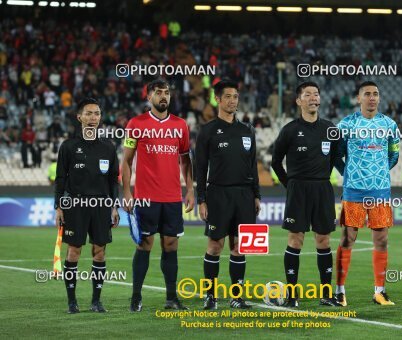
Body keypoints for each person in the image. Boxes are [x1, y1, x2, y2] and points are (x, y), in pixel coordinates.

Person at [122, 79, 194, 312]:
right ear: (149, 97)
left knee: (171, 245)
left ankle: (171, 298)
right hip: (145, 197)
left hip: (172, 196)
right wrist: (126, 192)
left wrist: (190, 189)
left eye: (167, 93)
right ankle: (135, 297)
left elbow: (185, 159)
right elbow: (126, 161)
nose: (164, 97)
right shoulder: (135, 124)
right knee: (145, 244)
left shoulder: (181, 125)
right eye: (158, 93)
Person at [271, 81, 343, 308]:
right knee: (296, 239)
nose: (313, 97)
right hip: (298, 189)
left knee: (323, 240)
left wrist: (321, 177)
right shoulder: (290, 129)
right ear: (299, 101)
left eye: (316, 94)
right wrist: (289, 184)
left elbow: (334, 159)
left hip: (322, 189)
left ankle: (326, 294)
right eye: (308, 94)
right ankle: (292, 295)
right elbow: (275, 161)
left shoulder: (330, 129)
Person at [195, 80, 261, 310]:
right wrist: (201, 198)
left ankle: (236, 297)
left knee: (239, 247)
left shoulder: (247, 130)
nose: (233, 100)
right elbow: (200, 168)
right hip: (218, 194)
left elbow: (253, 165)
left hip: (244, 194)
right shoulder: (208, 130)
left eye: (236, 96)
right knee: (215, 246)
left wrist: (257, 195)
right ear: (218, 99)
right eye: (229, 96)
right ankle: (210, 296)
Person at [335, 81, 400, 306]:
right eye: (367, 94)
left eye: (375, 94)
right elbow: (336, 155)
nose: (372, 98)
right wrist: (351, 174)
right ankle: (339, 291)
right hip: (353, 191)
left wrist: (378, 173)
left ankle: (379, 291)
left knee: (381, 240)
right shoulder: (346, 125)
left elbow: (394, 155)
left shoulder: (389, 125)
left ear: (379, 98)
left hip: (380, 191)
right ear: (358, 98)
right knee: (347, 239)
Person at [54, 98, 120, 314]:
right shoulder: (69, 146)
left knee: (99, 252)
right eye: (89, 113)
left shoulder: (108, 148)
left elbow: (113, 180)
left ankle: (96, 301)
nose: (93, 118)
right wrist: (59, 206)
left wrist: (114, 206)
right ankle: (72, 301)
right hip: (75, 205)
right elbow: (60, 178)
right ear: (79, 117)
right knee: (74, 251)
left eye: (97, 114)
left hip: (101, 205)